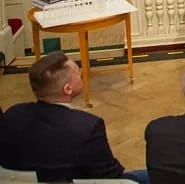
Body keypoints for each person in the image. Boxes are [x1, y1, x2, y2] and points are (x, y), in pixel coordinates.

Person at [0, 51, 148, 182]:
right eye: (77, 72)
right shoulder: (87, 127)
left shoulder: (13, 114)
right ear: (68, 89)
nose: (82, 74)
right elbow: (110, 177)